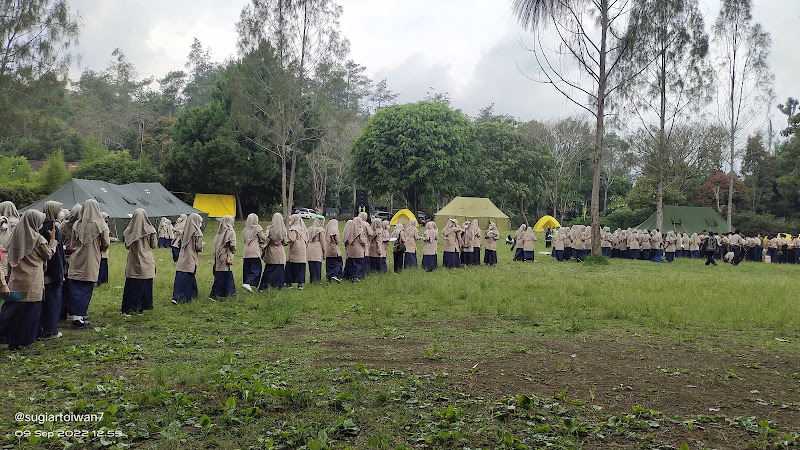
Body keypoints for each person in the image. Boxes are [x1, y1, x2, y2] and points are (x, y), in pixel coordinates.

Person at [0, 210, 58, 349]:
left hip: (16, 278)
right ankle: (25, 339)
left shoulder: (15, 235)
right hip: (32, 280)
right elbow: (48, 254)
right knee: (30, 311)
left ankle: (7, 337)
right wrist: (53, 241)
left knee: (12, 309)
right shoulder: (38, 239)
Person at [67, 199, 110, 328]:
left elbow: (72, 242)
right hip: (90, 259)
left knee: (75, 287)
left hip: (76, 258)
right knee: (86, 288)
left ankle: (75, 314)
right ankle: (79, 317)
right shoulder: (101, 225)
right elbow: (106, 242)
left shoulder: (77, 224)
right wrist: (100, 249)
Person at [38, 201, 66, 339]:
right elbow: (53, 253)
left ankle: (43, 329)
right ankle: (51, 330)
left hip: (43, 270)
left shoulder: (40, 225)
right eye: (60, 209)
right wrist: (58, 272)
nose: (61, 211)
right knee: (52, 302)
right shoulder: (51, 226)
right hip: (52, 270)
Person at [121, 208, 157, 314]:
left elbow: (127, 246)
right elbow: (154, 245)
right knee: (145, 284)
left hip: (133, 259)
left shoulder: (128, 231)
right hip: (146, 259)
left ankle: (129, 309)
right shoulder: (150, 230)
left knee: (132, 285)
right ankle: (142, 307)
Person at [172, 213, 205, 303]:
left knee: (180, 277)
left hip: (182, 257)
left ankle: (177, 296)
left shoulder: (184, 231)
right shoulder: (197, 233)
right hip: (190, 257)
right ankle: (184, 297)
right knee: (188, 276)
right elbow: (198, 247)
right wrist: (203, 245)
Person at [210, 215, 236, 300]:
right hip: (226, 254)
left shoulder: (220, 231)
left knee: (222, 273)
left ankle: (229, 291)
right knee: (224, 273)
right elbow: (233, 244)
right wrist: (232, 252)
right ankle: (216, 294)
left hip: (218, 254)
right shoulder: (231, 231)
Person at [259, 213, 287, 290]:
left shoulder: (270, 229)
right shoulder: (283, 229)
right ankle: (278, 286)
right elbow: (285, 242)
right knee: (279, 270)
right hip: (280, 251)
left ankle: (264, 286)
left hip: (271, 250)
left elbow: (266, 240)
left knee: (269, 269)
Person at [241, 213, 266, 292]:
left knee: (247, 269)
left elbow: (244, 240)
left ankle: (246, 284)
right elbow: (263, 237)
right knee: (256, 270)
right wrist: (267, 232)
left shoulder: (245, 229)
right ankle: (248, 283)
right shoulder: (257, 228)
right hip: (254, 252)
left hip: (246, 252)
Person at [284, 214, 308, 289]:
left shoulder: (293, 228)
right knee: (300, 266)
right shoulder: (302, 228)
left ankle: (289, 283)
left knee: (291, 265)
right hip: (303, 248)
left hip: (295, 248)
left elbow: (292, 239)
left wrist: (285, 242)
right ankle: (300, 284)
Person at [307, 216, 326, 283]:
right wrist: (324, 252)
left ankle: (312, 280)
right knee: (317, 265)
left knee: (311, 265)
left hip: (309, 247)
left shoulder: (310, 229)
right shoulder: (320, 230)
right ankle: (317, 281)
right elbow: (323, 242)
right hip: (317, 247)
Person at [96, 212, 111, 285]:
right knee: (100, 265)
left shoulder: (105, 225)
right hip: (101, 249)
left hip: (104, 250)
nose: (106, 220)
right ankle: (99, 280)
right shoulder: (100, 226)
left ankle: (103, 280)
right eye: (105, 218)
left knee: (104, 265)